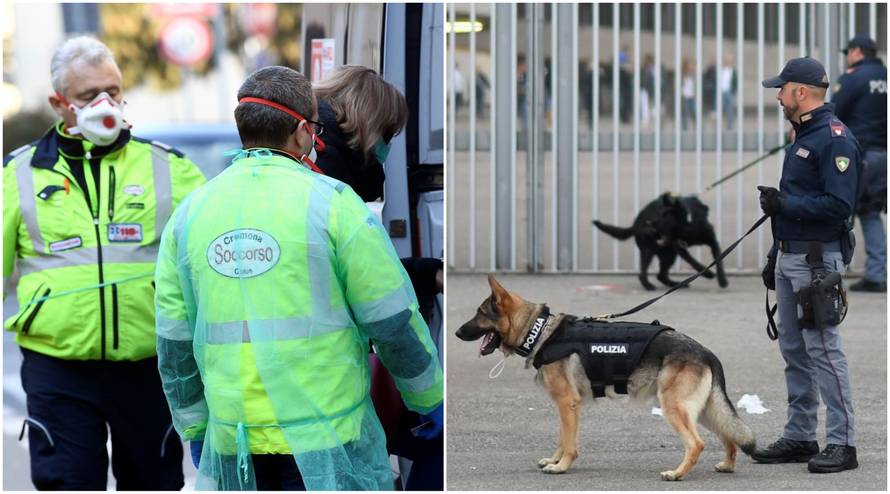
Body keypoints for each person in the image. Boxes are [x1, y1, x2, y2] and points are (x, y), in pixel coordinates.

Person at [153, 65, 444, 490]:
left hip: (234, 442)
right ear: (305, 133)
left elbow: (174, 345)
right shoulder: (335, 205)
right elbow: (392, 322)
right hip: (324, 440)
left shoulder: (190, 215)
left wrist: (195, 430)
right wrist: (429, 400)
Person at [2, 36, 206, 489]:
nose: (105, 103)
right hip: (58, 368)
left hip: (147, 365)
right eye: (88, 95)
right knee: (68, 482)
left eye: (112, 91)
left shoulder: (170, 169)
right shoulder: (16, 177)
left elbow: (207, 267)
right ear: (60, 104)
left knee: (155, 481)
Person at [312, 64, 444, 490]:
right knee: (438, 448)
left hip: (269, 390)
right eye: (389, 136)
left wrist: (424, 273)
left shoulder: (312, 163)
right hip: (324, 386)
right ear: (371, 127)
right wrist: (431, 401)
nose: (388, 148)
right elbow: (382, 308)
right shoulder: (334, 188)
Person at [755, 57, 860, 473]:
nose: (778, 96)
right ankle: (800, 435)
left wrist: (785, 204)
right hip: (791, 253)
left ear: (801, 92)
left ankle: (843, 443)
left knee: (824, 351)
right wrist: (774, 253)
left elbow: (839, 205)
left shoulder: (834, 139)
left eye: (782, 89)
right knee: (795, 350)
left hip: (817, 258)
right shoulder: (805, 133)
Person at [832, 34, 887, 293]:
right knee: (870, 210)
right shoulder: (885, 76)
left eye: (848, 52)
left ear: (856, 52)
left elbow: (832, 112)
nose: (846, 58)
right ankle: (877, 273)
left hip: (859, 155)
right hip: (882, 154)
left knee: (841, 208)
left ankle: (832, 270)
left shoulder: (854, 77)